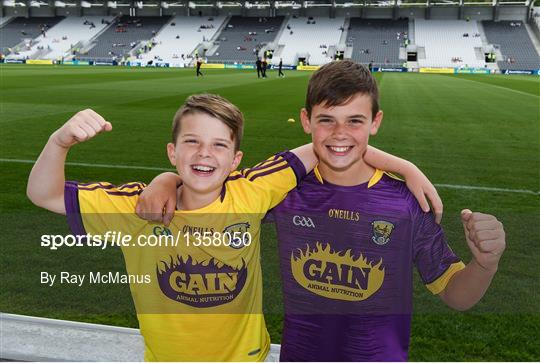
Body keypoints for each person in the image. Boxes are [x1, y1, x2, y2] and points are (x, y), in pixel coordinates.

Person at [137, 60, 506, 361]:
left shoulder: (405, 201)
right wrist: (167, 180)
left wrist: (485, 264)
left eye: (355, 121)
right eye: (327, 119)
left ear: (375, 123)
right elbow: (212, 191)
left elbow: (457, 295)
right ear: (306, 121)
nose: (339, 132)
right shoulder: (285, 190)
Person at [26, 93, 436, 361]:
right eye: (192, 142)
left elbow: (328, 144)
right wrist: (59, 142)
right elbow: (43, 194)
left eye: (219, 145)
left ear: (235, 159)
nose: (205, 154)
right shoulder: (137, 208)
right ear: (172, 152)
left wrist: (405, 166)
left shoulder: (252, 191)